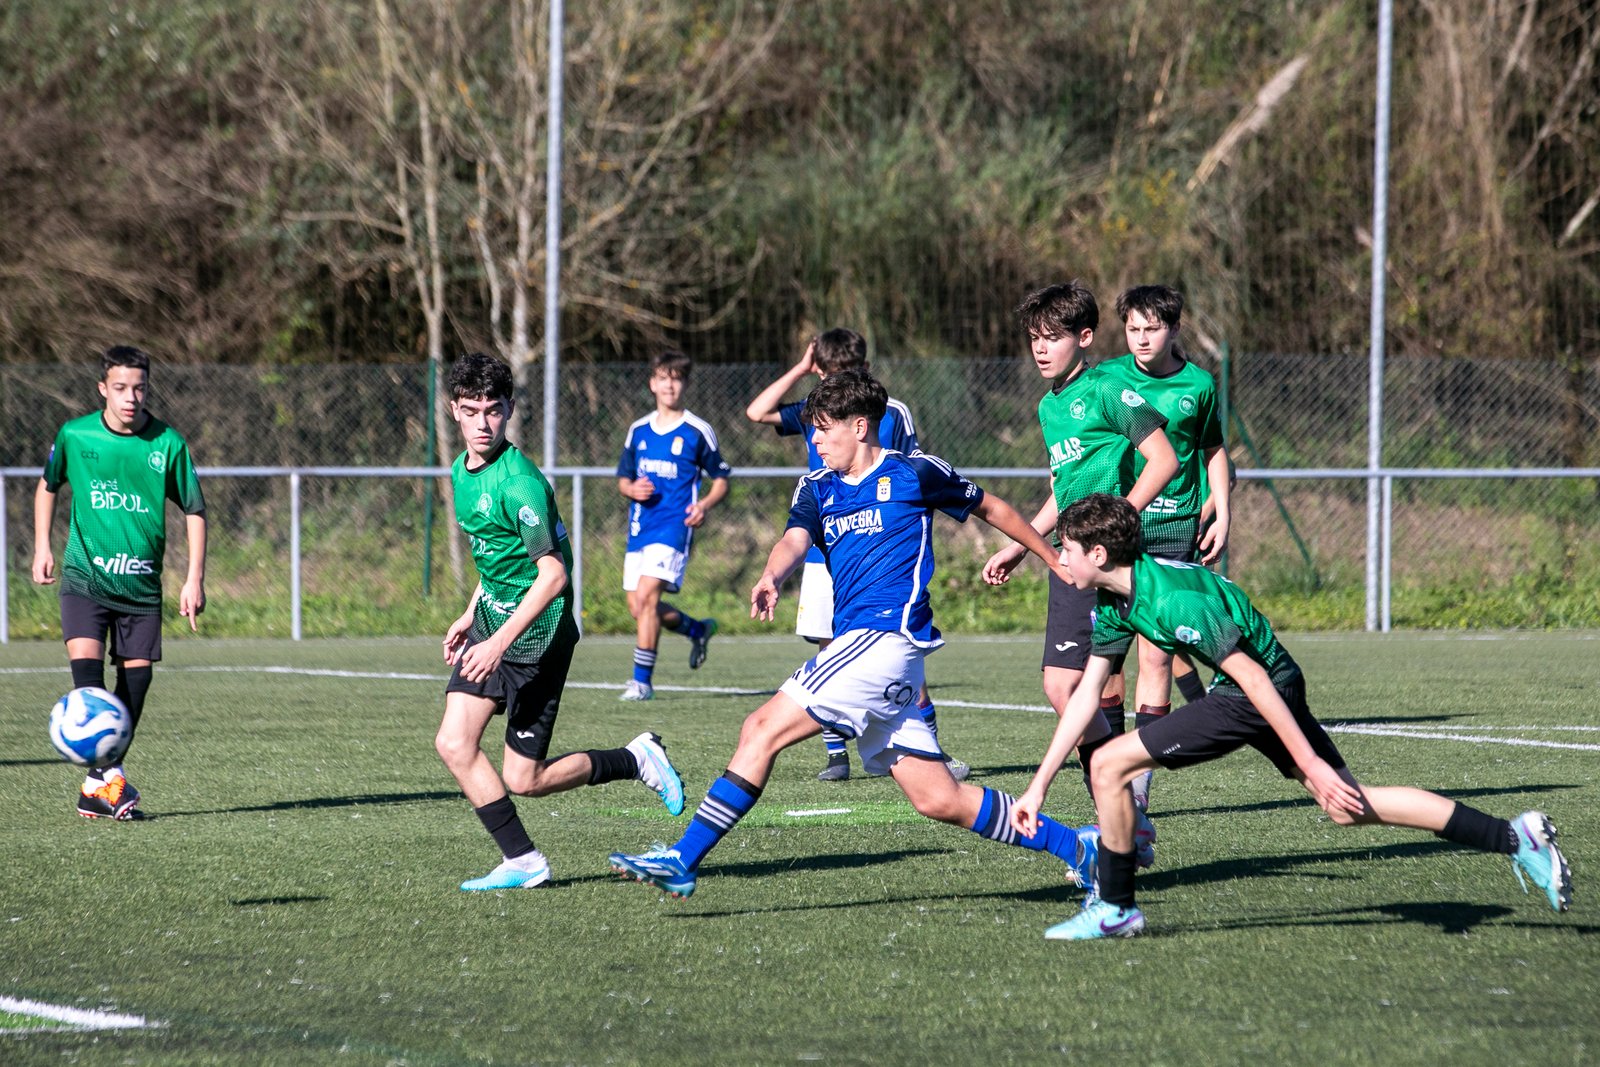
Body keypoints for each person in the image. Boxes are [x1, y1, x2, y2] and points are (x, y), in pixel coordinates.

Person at [609, 369, 1093, 899]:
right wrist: (773, 573)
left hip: (885, 640)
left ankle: (683, 858)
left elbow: (992, 507)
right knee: (939, 798)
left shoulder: (914, 473)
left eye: (823, 429)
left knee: (760, 728)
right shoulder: (818, 487)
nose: (814, 440)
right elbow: (794, 539)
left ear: (860, 427)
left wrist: (1048, 557)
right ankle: (1078, 847)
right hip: (873, 654)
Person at [1011, 494, 1574, 939]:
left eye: (1066, 548)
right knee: (1351, 806)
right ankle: (1513, 836)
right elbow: (1086, 697)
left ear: (1099, 556)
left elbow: (1253, 679)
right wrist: (1037, 787)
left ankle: (1115, 907)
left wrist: (1308, 760)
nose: (1058, 558)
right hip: (1271, 683)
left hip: (1252, 692)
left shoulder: (1173, 601)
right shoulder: (1114, 603)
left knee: (1110, 764)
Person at [437, 351, 685, 891]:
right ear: (454, 411)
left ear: (509, 411)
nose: (483, 423)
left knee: (524, 779)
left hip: (537, 636)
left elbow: (552, 576)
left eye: (494, 410)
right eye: (471, 410)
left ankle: (636, 758)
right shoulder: (460, 471)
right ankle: (523, 861)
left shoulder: (520, 483)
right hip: (493, 623)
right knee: (454, 744)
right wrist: (469, 612)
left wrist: (499, 640)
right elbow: (497, 557)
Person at [981, 282, 1177, 860]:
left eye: (1052, 338)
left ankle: (1123, 809)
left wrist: (1117, 522)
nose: (1040, 350)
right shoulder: (1048, 405)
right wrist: (1027, 542)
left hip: (1101, 562)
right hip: (1069, 558)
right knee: (1060, 685)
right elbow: (1062, 486)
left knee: (1077, 684)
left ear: (1084, 338)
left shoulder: (1108, 389)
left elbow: (1163, 459)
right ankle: (1120, 807)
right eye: (1034, 339)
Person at [746, 328, 968, 782]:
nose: (823, 435)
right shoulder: (815, 410)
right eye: (825, 375)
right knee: (829, 645)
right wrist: (802, 368)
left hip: (877, 541)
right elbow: (758, 412)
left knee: (895, 651)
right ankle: (836, 754)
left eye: (841, 376)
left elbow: (913, 474)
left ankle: (930, 752)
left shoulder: (891, 413)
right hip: (824, 539)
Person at [32, 345, 207, 820]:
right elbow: (48, 486)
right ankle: (110, 781)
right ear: (103, 389)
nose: (132, 398)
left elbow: (194, 510)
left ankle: (96, 783)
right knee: (89, 686)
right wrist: (43, 546)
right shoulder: (76, 434)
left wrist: (194, 579)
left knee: (137, 682)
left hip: (141, 589)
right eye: (122, 388)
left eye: (140, 388)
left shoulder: (167, 444)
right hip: (85, 579)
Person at [1092, 284, 1232, 812]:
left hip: (1173, 531)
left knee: (1157, 654)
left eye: (1152, 328)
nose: (1141, 338)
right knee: (1107, 663)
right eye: (1132, 328)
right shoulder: (1105, 379)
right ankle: (1106, 771)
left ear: (1175, 329)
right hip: (1114, 531)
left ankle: (1138, 796)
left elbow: (1213, 449)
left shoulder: (1198, 384)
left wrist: (1223, 509)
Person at [616, 350, 731, 701]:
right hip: (640, 528)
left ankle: (641, 683)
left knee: (649, 597)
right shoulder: (638, 431)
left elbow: (722, 479)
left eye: (677, 378)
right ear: (652, 383)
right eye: (663, 377)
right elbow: (623, 478)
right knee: (638, 607)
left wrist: (705, 505)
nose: (670, 385)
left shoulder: (698, 430)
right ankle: (696, 629)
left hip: (674, 528)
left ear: (685, 384)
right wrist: (631, 489)